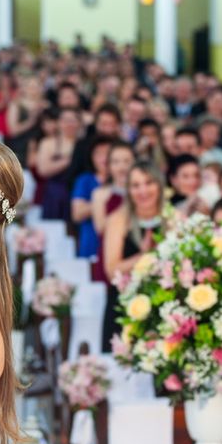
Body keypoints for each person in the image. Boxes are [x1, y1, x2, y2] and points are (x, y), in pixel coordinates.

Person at [102, 161, 165, 351]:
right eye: (136, 185)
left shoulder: (173, 218)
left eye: (149, 183)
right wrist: (144, 256)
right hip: (124, 307)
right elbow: (111, 271)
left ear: (160, 186)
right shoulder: (118, 219)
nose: (143, 191)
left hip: (163, 308)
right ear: (128, 190)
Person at [37, 107, 82, 221]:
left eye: (73, 120)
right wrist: (69, 160)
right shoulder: (48, 143)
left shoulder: (84, 144)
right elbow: (43, 170)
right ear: (59, 123)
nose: (69, 124)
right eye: (65, 120)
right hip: (55, 195)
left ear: (79, 123)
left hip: (78, 195)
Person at [71, 136, 111, 258]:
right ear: (91, 157)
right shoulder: (84, 180)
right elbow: (77, 214)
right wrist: (107, 198)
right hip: (91, 244)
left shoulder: (124, 181)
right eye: (99, 154)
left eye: (108, 154)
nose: (104, 159)